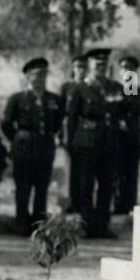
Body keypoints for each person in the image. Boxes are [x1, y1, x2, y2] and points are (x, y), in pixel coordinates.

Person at [1, 57, 65, 235]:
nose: (40, 80)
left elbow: (58, 122)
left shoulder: (55, 99)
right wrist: (18, 139)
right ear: (28, 77)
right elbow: (6, 123)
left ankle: (38, 225)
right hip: (24, 147)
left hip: (45, 147)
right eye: (36, 76)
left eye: (44, 75)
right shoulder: (18, 98)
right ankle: (21, 223)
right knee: (23, 187)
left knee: (42, 187)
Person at [66, 48, 120, 238]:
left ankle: (103, 226)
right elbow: (72, 118)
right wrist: (71, 143)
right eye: (97, 64)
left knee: (107, 186)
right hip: (86, 143)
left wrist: (130, 75)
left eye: (104, 64)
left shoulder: (115, 87)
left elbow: (131, 103)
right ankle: (87, 225)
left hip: (109, 143)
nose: (101, 67)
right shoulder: (81, 88)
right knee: (85, 186)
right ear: (90, 66)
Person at [114, 54, 140, 214]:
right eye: (125, 68)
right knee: (116, 173)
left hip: (133, 139)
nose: (128, 72)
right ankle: (118, 206)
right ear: (120, 71)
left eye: (131, 69)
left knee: (131, 174)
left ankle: (130, 205)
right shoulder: (114, 90)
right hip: (116, 139)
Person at [60, 54, 89, 214]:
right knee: (71, 170)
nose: (81, 70)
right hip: (71, 132)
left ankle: (124, 206)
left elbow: (131, 96)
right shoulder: (67, 87)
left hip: (91, 135)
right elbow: (62, 111)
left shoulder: (92, 86)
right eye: (78, 66)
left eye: (84, 67)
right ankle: (72, 201)